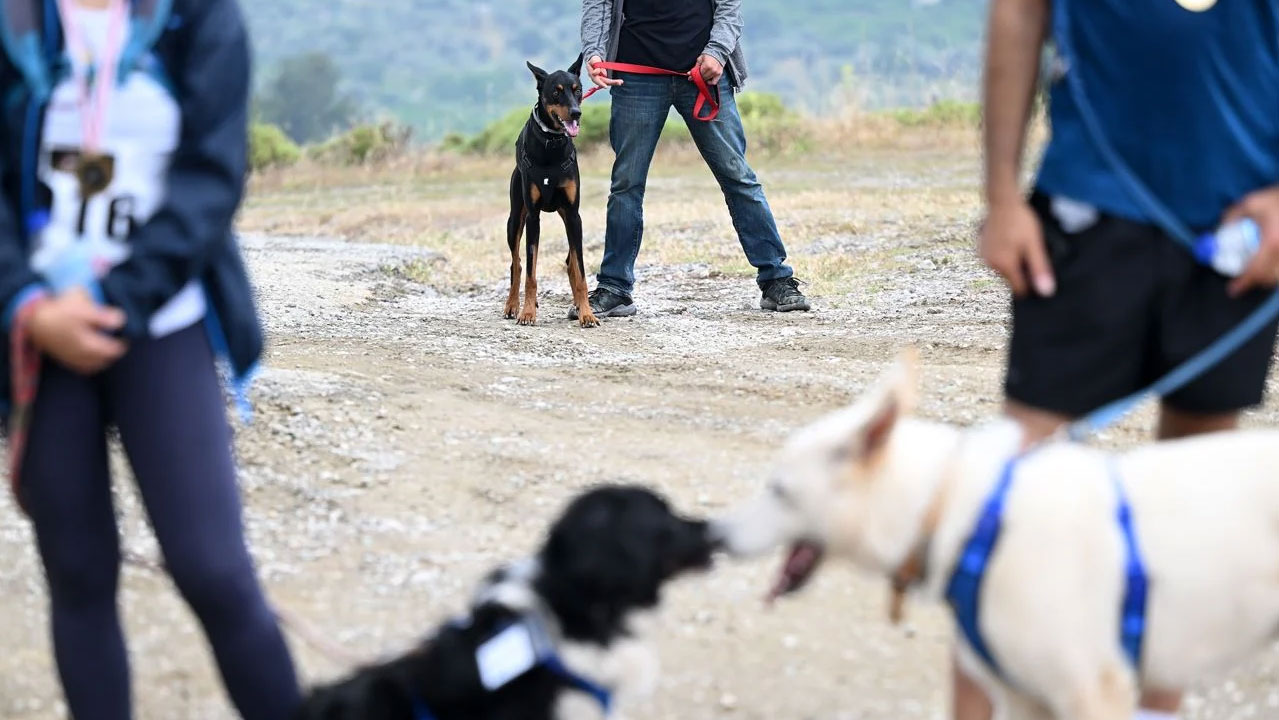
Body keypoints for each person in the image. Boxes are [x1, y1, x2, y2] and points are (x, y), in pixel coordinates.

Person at [975, 0, 1279, 719]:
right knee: (1014, 495)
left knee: (1188, 505)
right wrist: (999, 197)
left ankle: (1155, 706)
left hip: (1239, 228)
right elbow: (1018, 12)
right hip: (1087, 208)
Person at [0, 0, 301, 717]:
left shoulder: (197, 17)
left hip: (163, 320)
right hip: (38, 332)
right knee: (78, 574)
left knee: (214, 570)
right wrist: (30, 307)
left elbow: (212, 174)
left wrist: (116, 300)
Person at [577, 0, 811, 318]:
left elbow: (729, 7)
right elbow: (599, 3)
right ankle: (615, 288)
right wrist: (594, 50)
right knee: (626, 183)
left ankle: (776, 281)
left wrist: (717, 51)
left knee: (738, 176)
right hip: (636, 77)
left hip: (704, 75)